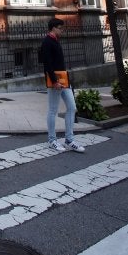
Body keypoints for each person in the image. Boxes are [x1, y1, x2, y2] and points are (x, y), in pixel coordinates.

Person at [41, 17, 85, 153]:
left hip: (64, 81)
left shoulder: (55, 40)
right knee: (53, 110)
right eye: (60, 28)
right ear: (53, 28)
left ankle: (69, 140)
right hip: (55, 82)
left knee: (72, 107)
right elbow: (47, 64)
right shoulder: (47, 42)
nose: (62, 30)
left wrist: (65, 80)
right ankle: (52, 140)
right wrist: (54, 81)